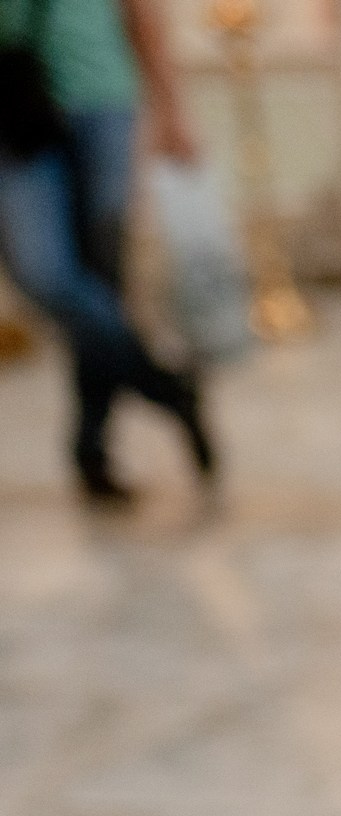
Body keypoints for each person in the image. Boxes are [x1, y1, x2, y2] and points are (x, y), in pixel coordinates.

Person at [0, 0, 217, 503]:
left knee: (102, 278)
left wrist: (172, 109)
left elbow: (142, 12)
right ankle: (168, 387)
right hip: (13, 102)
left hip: (101, 100)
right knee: (45, 273)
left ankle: (92, 450)